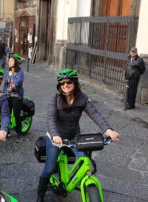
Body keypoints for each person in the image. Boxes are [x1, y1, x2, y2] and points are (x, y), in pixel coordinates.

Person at [36, 68, 120, 202]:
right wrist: (55, 135)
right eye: (62, 83)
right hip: (55, 137)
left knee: (84, 162)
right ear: (59, 86)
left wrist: (108, 130)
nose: (65, 85)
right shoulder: (55, 99)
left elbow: (96, 114)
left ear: (75, 82)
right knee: (49, 168)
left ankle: (78, 182)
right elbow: (51, 119)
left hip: (74, 136)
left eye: (68, 82)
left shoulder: (82, 99)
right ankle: (40, 195)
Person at [2, 53, 25, 136]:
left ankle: (19, 130)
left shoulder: (20, 73)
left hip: (17, 96)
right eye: (9, 61)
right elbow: (6, 84)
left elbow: (17, 83)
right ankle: (6, 130)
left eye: (11, 61)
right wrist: (3, 93)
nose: (9, 62)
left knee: (16, 114)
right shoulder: (8, 71)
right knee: (6, 113)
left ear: (15, 62)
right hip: (8, 95)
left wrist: (12, 76)